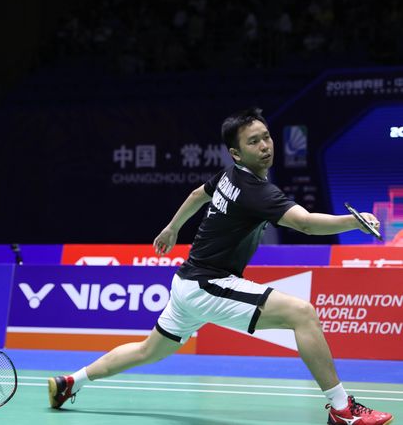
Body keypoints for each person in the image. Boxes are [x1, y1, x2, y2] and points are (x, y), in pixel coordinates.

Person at [48, 107, 393, 425]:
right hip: (207, 283)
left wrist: (172, 227)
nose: (265, 146)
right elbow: (304, 223)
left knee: (148, 351)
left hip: (186, 283)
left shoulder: (229, 175)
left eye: (266, 137)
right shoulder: (254, 189)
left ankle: (69, 382)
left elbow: (199, 194)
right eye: (253, 142)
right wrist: (353, 222)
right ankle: (343, 409)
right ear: (237, 152)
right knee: (302, 314)